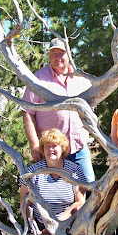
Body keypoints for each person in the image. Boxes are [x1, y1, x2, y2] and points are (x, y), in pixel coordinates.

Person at [22, 38, 95, 182]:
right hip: (50, 150)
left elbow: (90, 108)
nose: (57, 57)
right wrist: (35, 145)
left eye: (61, 53)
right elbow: (27, 112)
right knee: (49, 188)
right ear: (49, 56)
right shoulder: (38, 79)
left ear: (69, 54)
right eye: (53, 53)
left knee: (88, 184)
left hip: (78, 147)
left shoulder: (80, 78)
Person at [13, 128, 87, 235]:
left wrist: (56, 223)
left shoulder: (74, 170)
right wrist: (33, 225)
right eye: (47, 146)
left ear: (62, 148)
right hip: (39, 225)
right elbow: (25, 203)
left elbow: (80, 202)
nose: (50, 149)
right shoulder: (33, 172)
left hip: (68, 224)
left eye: (54, 146)